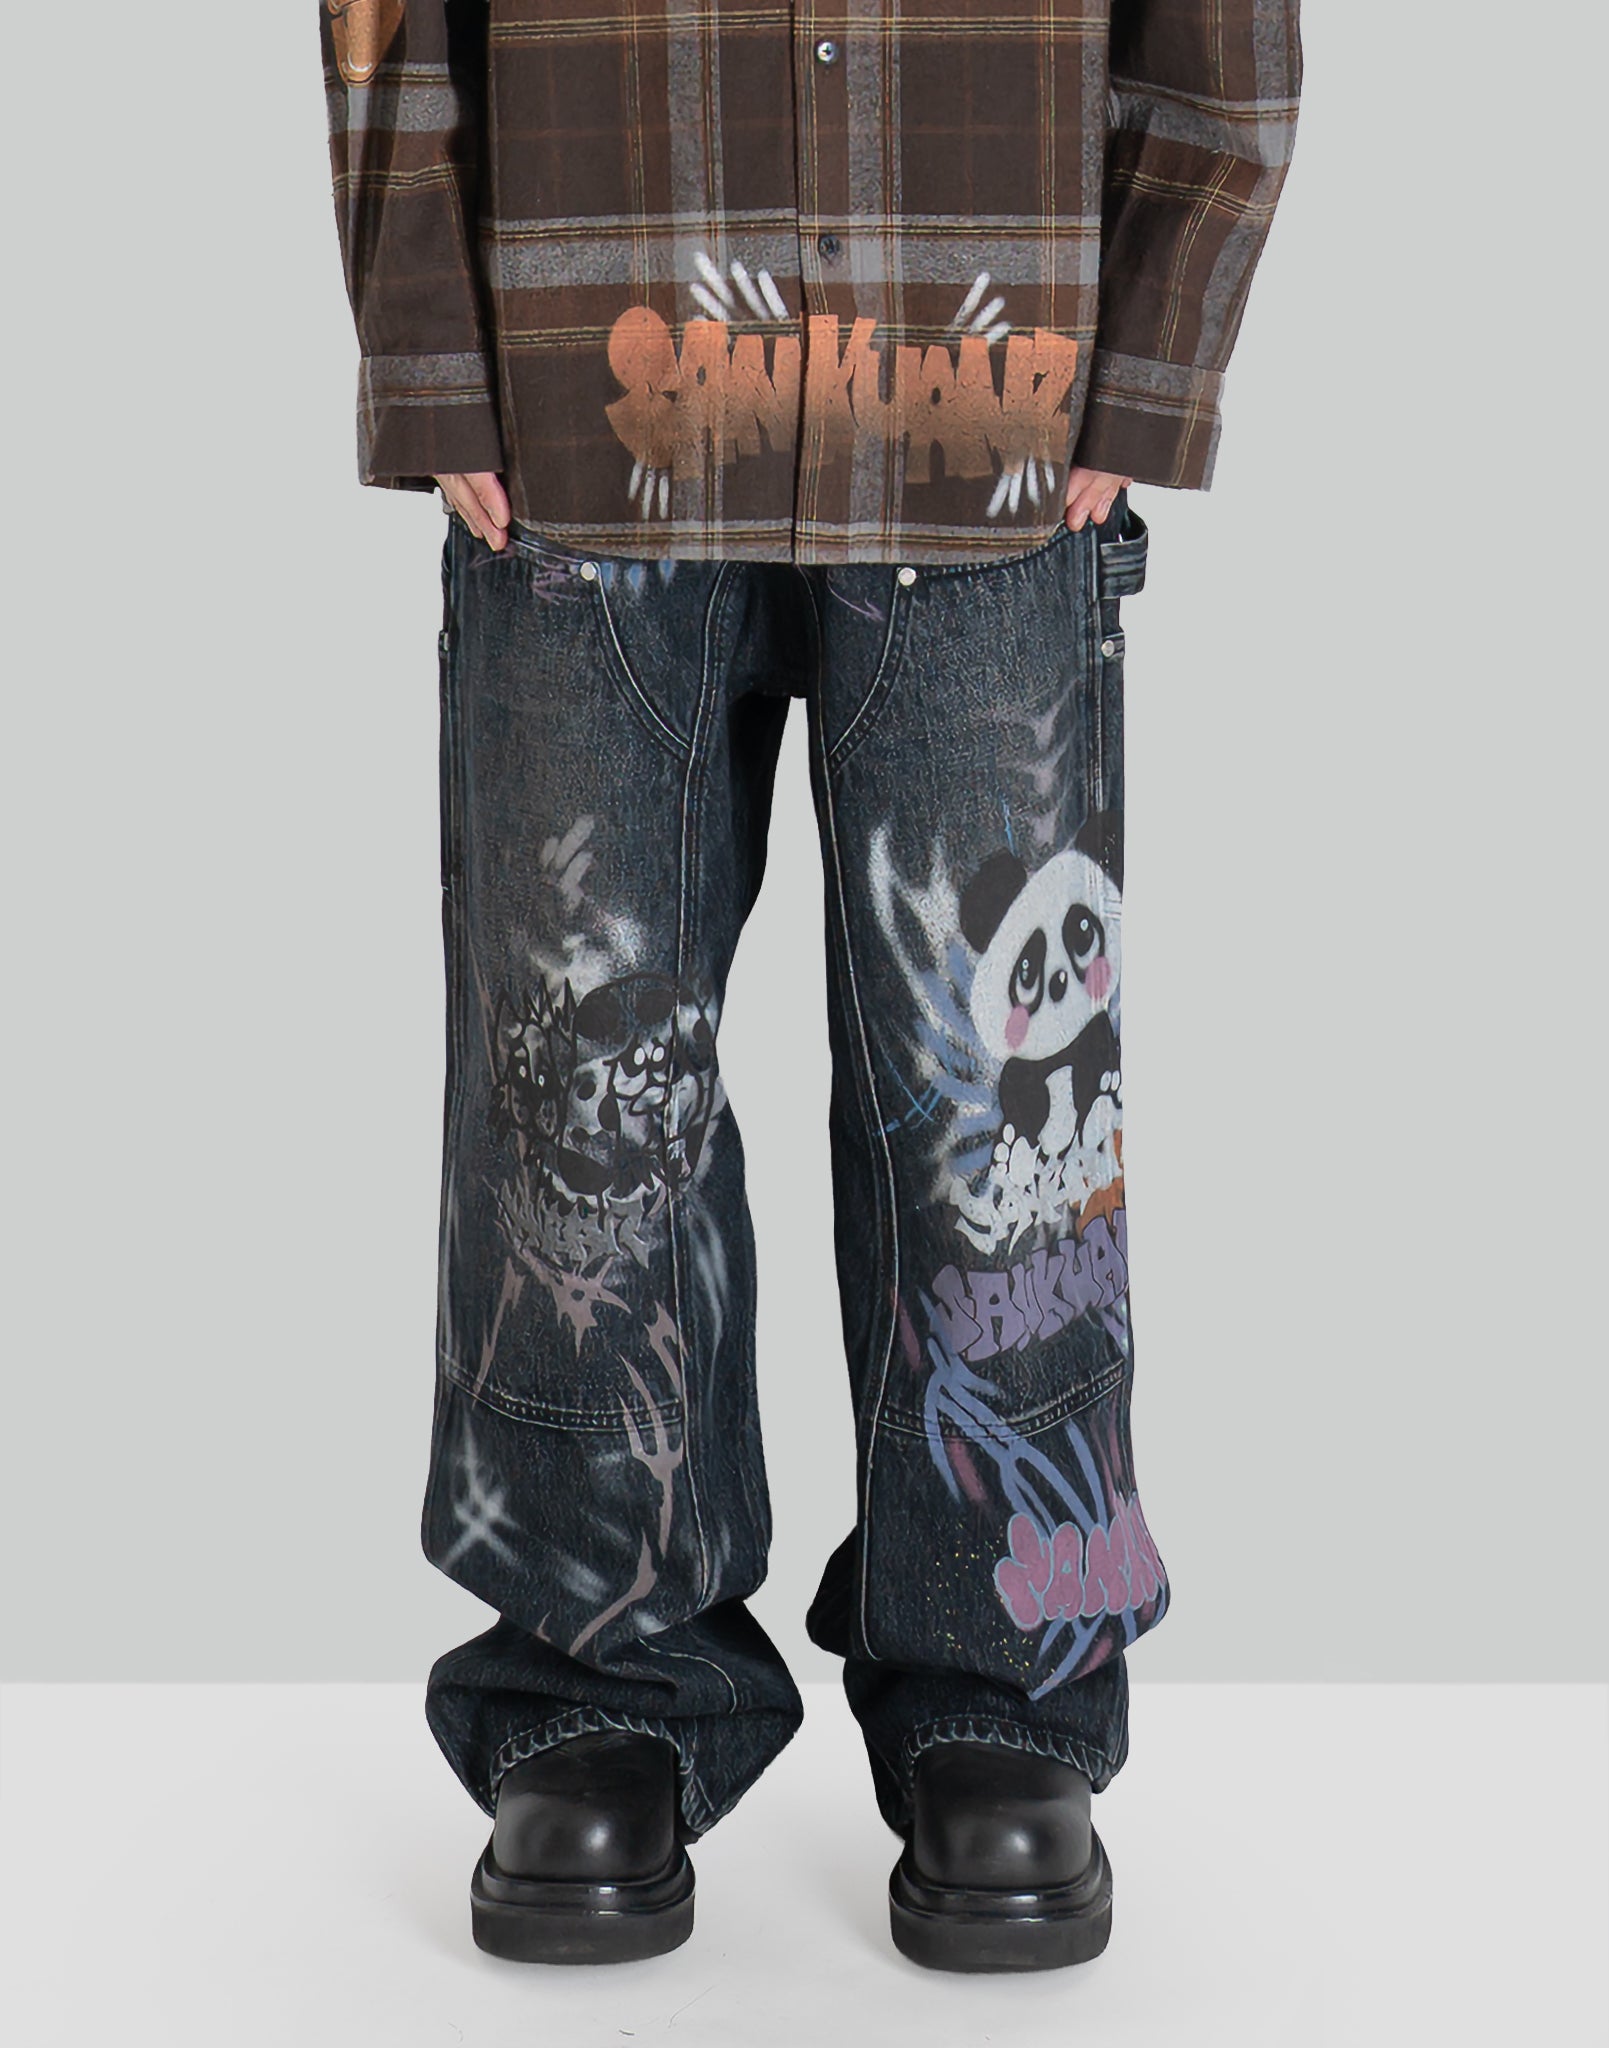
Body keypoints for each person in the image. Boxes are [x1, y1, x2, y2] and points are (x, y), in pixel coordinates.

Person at [317, 0, 1300, 1972]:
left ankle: (1004, 1687)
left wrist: (1149, 362)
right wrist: (428, 358)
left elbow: (1227, 38)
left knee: (1002, 1122)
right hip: (586, 402)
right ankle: (595, 1672)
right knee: (577, 1102)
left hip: (985, 412)